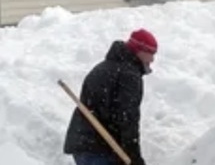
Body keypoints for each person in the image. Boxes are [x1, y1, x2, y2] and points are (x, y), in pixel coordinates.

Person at [63, 29, 158, 165]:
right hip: (102, 148)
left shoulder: (102, 67)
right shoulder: (129, 76)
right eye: (151, 53)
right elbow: (127, 119)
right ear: (139, 50)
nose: (153, 59)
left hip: (83, 144)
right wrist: (134, 158)